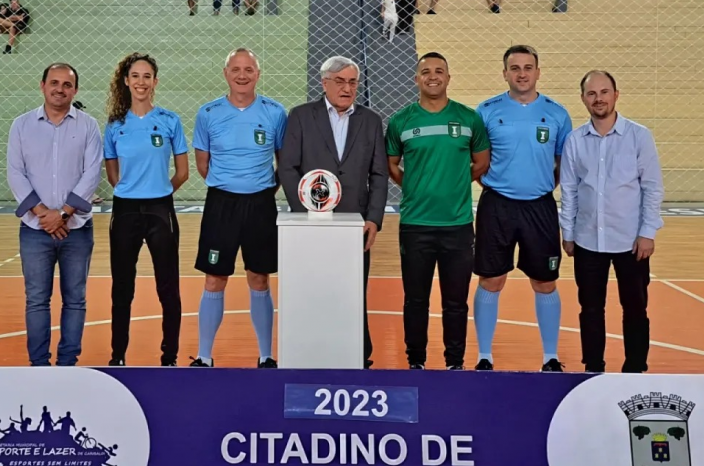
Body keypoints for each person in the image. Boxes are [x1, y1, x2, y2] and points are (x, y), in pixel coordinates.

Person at [278, 55, 388, 369]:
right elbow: (288, 168)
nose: (347, 87)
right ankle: (310, 349)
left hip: (355, 226)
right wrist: (305, 215)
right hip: (309, 226)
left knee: (354, 291)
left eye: (352, 82)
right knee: (312, 287)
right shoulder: (300, 116)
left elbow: (379, 174)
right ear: (324, 83)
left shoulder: (370, 120)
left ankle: (358, 353)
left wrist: (374, 219)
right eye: (340, 81)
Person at [385, 52, 490, 370]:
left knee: (455, 302)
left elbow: (481, 162)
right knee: (415, 299)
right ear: (416, 79)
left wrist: (455, 183)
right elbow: (391, 164)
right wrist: (414, 186)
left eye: (439, 71)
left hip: (457, 225)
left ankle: (454, 362)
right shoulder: (401, 121)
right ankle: (415, 360)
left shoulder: (469, 118)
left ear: (448, 77)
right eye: (426, 71)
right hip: (415, 225)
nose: (433, 76)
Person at [474, 44, 573, 372]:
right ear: (505, 73)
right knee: (491, 279)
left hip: (540, 207)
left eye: (528, 67)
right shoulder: (486, 111)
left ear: (538, 72)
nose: (521, 73)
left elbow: (562, 165)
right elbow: (476, 160)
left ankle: (550, 357)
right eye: (514, 68)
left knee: (545, 281)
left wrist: (538, 184)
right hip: (497, 205)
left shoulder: (557, 113)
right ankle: (484, 356)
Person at [560, 70, 664, 373]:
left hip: (631, 241)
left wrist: (648, 232)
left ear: (616, 95)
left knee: (635, 308)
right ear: (583, 99)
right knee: (590, 309)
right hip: (587, 239)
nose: (598, 99)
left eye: (604, 92)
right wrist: (568, 232)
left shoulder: (639, 136)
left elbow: (652, 187)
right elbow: (568, 189)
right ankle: (593, 367)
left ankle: (635, 368)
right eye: (591, 94)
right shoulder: (575, 141)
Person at [190, 48, 288, 368]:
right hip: (222, 204)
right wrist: (230, 185)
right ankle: (204, 356)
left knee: (259, 277)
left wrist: (259, 189)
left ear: (258, 74)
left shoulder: (275, 112)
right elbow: (203, 165)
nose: (242, 75)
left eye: (249, 69)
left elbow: (282, 162)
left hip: (261, 204)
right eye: (236, 69)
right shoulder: (208, 113)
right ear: (226, 73)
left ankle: (266, 355)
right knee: (215, 277)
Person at [7, 63, 103, 366]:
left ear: (75, 90)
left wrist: (63, 213)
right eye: (54, 82)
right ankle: (38, 365)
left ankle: (67, 364)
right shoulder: (21, 126)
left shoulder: (88, 126)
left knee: (75, 300)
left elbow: (92, 173)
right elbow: (15, 173)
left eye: (67, 84)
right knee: (37, 300)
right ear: (42, 85)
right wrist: (43, 214)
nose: (60, 89)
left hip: (77, 229)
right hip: (35, 230)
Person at [103, 53, 189, 367]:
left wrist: (158, 191)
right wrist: (132, 190)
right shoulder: (114, 125)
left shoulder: (169, 120)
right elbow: (112, 175)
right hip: (125, 211)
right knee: (122, 287)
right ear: (126, 81)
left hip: (159, 210)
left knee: (168, 286)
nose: (141, 82)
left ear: (155, 81)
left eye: (147, 76)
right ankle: (118, 356)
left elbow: (182, 172)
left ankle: (169, 357)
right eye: (135, 76)